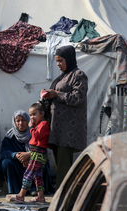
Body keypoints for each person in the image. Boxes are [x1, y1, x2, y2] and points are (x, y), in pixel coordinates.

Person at [41, 45, 88, 188]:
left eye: (60, 60)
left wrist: (57, 94)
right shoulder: (63, 76)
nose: (58, 64)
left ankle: (63, 197)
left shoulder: (78, 75)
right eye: (56, 61)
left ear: (69, 59)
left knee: (63, 166)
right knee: (60, 162)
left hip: (68, 131)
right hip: (58, 128)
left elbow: (78, 98)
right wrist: (47, 95)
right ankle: (62, 195)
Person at [0, 109, 54, 195]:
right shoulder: (10, 136)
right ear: (14, 122)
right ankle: (14, 190)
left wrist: (29, 155)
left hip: (33, 159)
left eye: (23, 120)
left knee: (41, 162)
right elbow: (3, 153)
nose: (20, 123)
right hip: (16, 163)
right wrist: (16, 155)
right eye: (18, 120)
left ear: (28, 121)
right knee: (6, 162)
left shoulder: (34, 133)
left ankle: (35, 189)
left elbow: (42, 150)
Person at [11, 102, 51, 204]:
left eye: (34, 114)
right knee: (37, 176)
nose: (32, 117)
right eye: (30, 115)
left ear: (42, 113)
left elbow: (37, 136)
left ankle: (21, 195)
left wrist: (31, 127)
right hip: (35, 153)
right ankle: (40, 197)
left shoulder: (44, 124)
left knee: (28, 174)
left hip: (38, 154)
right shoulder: (38, 124)